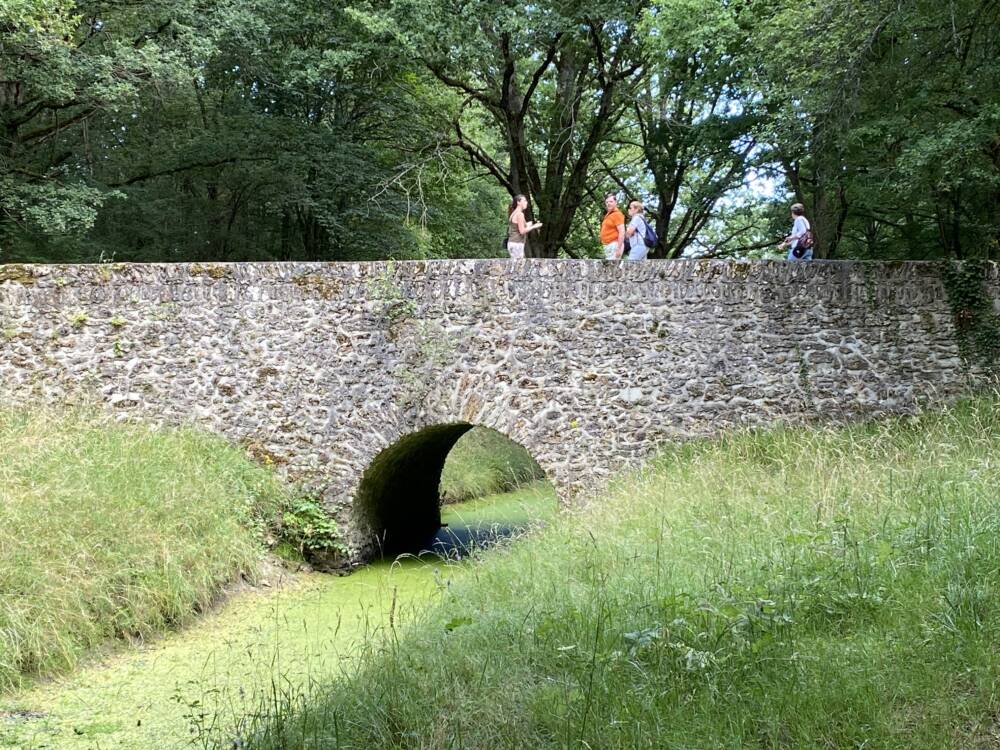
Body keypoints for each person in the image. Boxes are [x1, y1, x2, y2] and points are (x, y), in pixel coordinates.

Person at [507, 195, 542, 259]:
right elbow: (522, 231)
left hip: (513, 243)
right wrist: (534, 226)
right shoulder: (520, 214)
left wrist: (531, 223)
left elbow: (518, 226)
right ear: (518, 202)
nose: (526, 202)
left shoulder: (514, 213)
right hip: (516, 243)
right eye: (524, 201)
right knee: (518, 266)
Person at [599, 193, 626, 260]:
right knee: (610, 268)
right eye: (607, 202)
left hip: (615, 244)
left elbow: (622, 232)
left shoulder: (617, 214)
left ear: (616, 202)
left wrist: (619, 248)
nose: (608, 203)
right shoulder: (608, 215)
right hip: (608, 246)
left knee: (612, 268)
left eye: (611, 201)